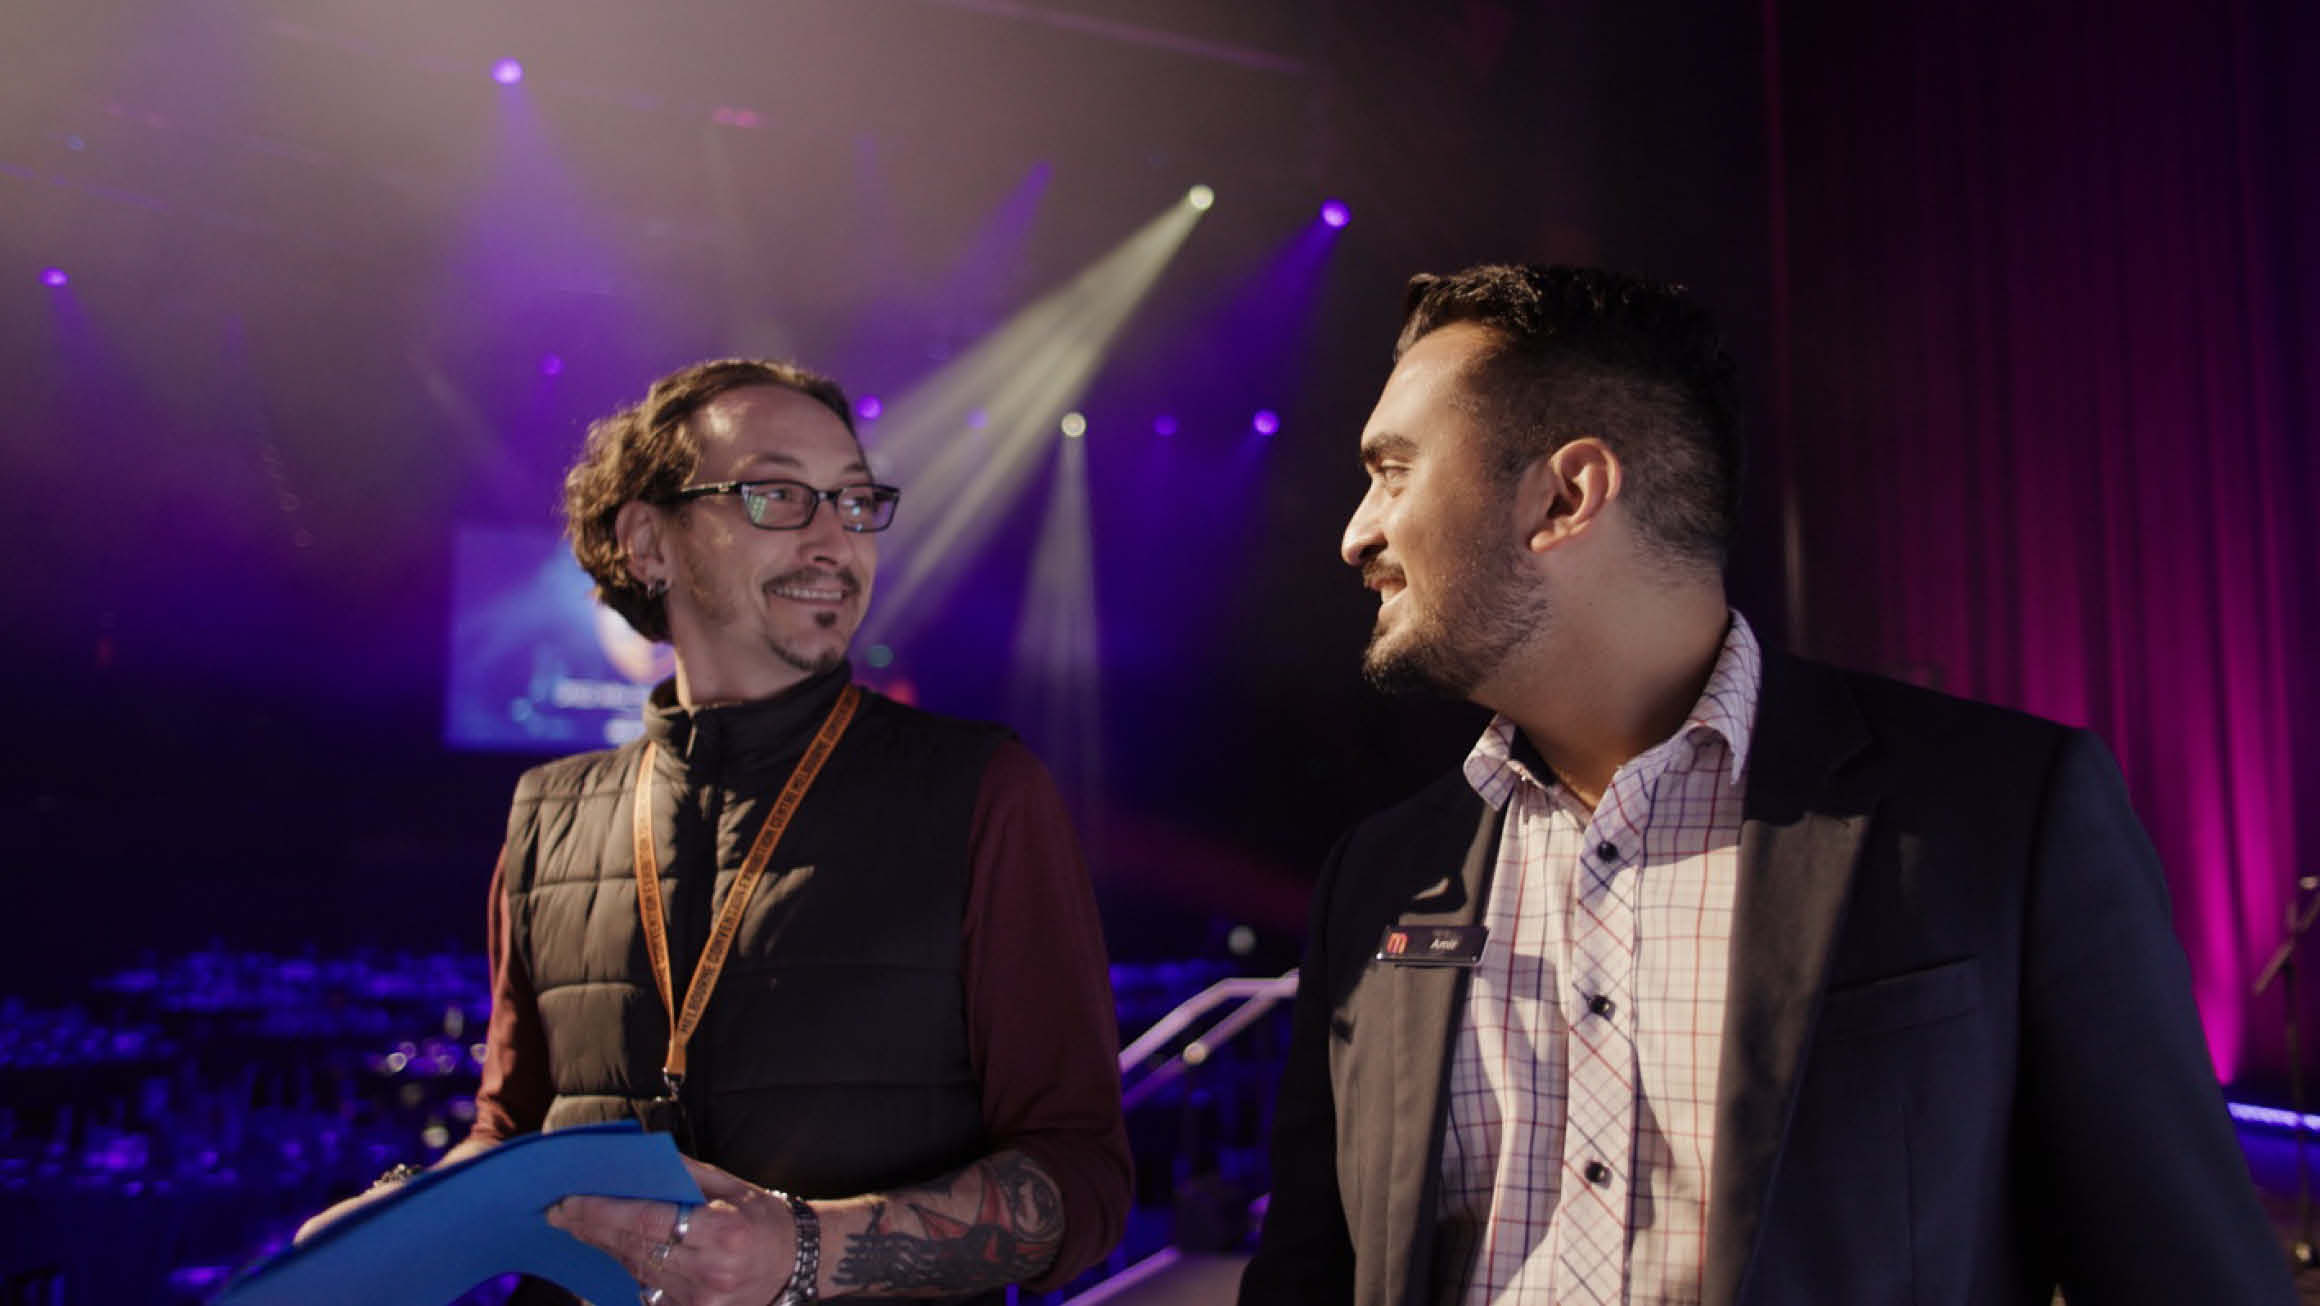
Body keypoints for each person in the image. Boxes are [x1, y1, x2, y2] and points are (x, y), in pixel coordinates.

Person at [1237, 265, 2291, 1306]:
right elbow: (1308, 1276)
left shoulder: (2001, 812)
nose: (1356, 532)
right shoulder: (1377, 879)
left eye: (1392, 471)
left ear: (1564, 494)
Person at [303, 358, 1130, 1305]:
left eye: (855, 502)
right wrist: (388, 1226)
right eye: (779, 494)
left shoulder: (985, 789)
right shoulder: (548, 813)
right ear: (648, 542)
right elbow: (514, 1135)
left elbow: (1081, 1177)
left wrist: (804, 1253)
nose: (834, 540)